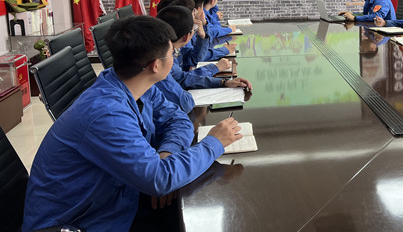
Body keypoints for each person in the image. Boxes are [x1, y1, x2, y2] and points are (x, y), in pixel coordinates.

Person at [23, 16, 242, 231]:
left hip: (117, 198)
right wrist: (214, 142)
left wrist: (166, 153)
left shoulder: (131, 83)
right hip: (84, 222)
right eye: (172, 54)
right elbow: (159, 179)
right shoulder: (107, 115)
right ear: (155, 65)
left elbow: (178, 118)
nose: (174, 59)